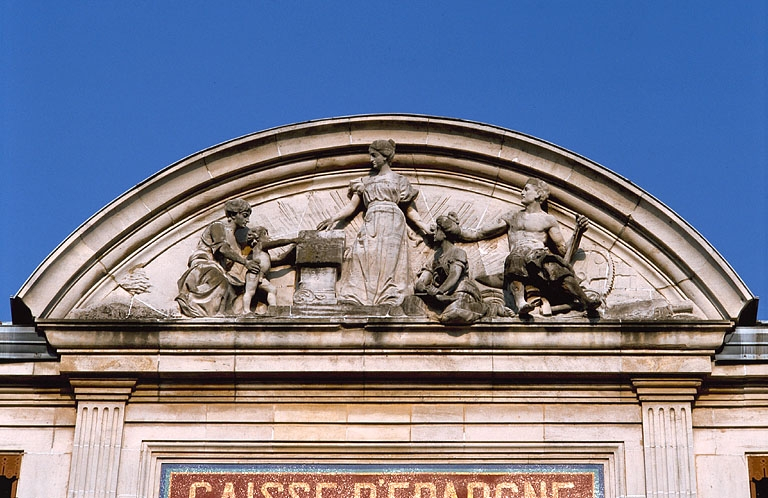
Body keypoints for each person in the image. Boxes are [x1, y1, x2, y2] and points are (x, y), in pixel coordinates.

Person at [459, 178, 600, 315]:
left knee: (558, 269)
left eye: (526, 189)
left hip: (539, 254)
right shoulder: (512, 216)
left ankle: (585, 300)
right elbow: (480, 233)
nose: (522, 193)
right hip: (519, 251)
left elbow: (563, 250)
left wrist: (578, 232)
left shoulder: (548, 219)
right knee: (515, 259)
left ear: (538, 194)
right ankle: (520, 302)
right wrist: (456, 231)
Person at [317, 139, 431, 306]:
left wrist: (424, 226)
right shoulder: (365, 182)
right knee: (361, 255)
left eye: (374, 155)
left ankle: (390, 298)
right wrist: (333, 218)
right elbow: (352, 206)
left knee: (390, 261)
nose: (371, 160)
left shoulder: (400, 181)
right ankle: (358, 297)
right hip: (372, 219)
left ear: (384, 157)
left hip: (393, 221)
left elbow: (409, 210)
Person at [414, 212, 510, 324]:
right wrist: (422, 286)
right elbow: (425, 277)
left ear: (445, 234)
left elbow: (454, 275)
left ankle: (490, 308)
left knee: (456, 311)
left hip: (460, 291)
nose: (434, 232)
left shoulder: (458, 253)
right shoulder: (435, 257)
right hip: (439, 295)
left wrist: (439, 291)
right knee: (411, 303)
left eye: (437, 229)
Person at [176, 198, 260, 317]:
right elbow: (222, 249)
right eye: (245, 215)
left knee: (237, 287)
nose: (247, 220)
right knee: (220, 281)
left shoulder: (236, 242)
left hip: (220, 270)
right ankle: (193, 302)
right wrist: (246, 263)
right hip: (205, 265)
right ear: (233, 215)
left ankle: (224, 311)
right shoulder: (218, 226)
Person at [241, 225, 296, 314]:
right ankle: (245, 310)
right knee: (250, 291)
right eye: (265, 234)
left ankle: (273, 309)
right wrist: (291, 240)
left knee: (272, 289)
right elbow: (277, 243)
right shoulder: (260, 246)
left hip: (262, 276)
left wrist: (292, 248)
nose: (268, 237)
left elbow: (279, 258)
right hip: (254, 273)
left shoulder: (264, 254)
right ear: (258, 236)